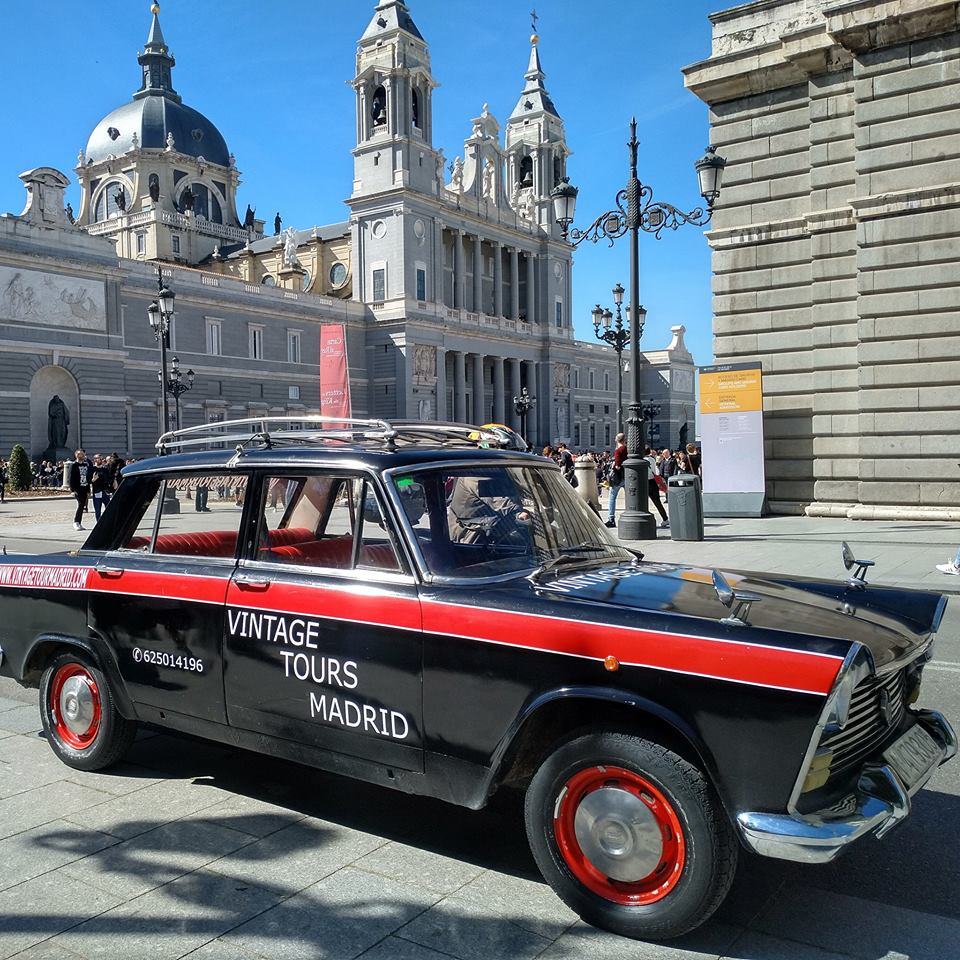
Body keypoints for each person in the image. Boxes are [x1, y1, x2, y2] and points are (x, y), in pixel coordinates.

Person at [605, 433, 627, 528]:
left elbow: (617, 466)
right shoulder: (628, 449)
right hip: (627, 477)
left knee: (612, 498)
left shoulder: (618, 451)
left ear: (616, 440)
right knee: (629, 498)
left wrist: (614, 466)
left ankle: (611, 519)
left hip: (618, 478)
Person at [645, 446, 669, 528]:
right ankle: (665, 518)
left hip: (645, 482)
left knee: (642, 502)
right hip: (653, 481)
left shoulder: (643, 460)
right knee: (657, 502)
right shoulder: (652, 459)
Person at [68, 449, 92, 531]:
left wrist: (89, 490)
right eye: (79, 454)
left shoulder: (86, 465)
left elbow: (88, 478)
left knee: (83, 506)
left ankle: (79, 522)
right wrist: (72, 490)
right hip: (77, 488)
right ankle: (76, 522)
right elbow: (71, 478)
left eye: (82, 454)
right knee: (81, 504)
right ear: (76, 455)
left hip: (85, 487)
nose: (81, 455)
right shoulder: (74, 465)